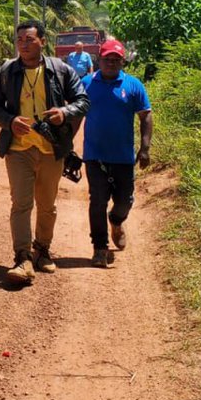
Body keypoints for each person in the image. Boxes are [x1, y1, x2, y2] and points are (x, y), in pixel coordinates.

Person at [0, 20, 90, 286]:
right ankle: (22, 258)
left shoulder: (61, 70)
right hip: (18, 148)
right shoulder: (7, 71)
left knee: (47, 204)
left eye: (29, 39)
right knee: (21, 203)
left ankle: (42, 249)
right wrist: (9, 122)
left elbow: (83, 100)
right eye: (20, 39)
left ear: (43, 41)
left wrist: (64, 112)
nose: (23, 43)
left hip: (50, 147)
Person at [81, 38, 153, 268]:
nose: (111, 63)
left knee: (124, 201)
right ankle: (99, 248)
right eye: (107, 59)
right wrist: (64, 145)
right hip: (95, 156)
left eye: (116, 60)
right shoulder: (86, 83)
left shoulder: (133, 86)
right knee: (97, 201)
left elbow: (146, 116)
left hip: (123, 157)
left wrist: (144, 148)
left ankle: (116, 221)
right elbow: (74, 114)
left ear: (122, 62)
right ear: (98, 60)